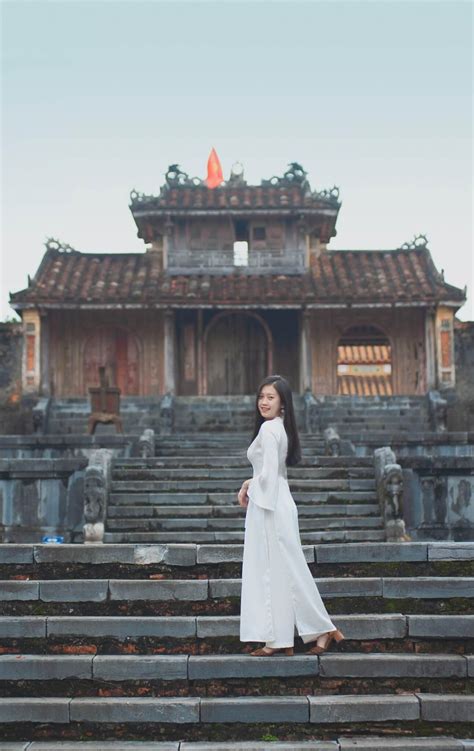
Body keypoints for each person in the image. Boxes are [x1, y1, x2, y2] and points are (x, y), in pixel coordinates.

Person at [237, 374, 345, 656]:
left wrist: (252, 489)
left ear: (283, 403)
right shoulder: (278, 428)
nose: (264, 402)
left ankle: (305, 632)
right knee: (284, 569)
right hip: (277, 500)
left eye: (270, 397)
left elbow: (270, 475)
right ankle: (294, 636)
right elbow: (272, 473)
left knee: (277, 570)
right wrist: (250, 483)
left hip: (270, 505)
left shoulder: (269, 430)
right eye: (261, 397)